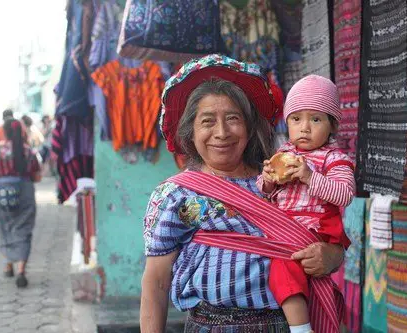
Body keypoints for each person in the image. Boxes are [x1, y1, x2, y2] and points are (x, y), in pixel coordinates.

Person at [141, 55, 345, 333]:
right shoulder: (175, 195)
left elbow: (317, 231)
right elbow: (157, 282)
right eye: (207, 121)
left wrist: (332, 256)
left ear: (249, 129)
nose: (222, 133)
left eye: (233, 119)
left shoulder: (281, 180)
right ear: (191, 132)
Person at [257, 75, 355, 332]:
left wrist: (310, 176)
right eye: (296, 119)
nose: (305, 128)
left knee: (283, 267)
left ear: (332, 125)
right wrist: (267, 180)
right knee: (277, 267)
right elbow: (265, 193)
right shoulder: (283, 155)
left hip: (316, 228)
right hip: (285, 228)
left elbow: (345, 194)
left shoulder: (333, 159)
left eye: (316, 119)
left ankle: (301, 328)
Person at [0, 119, 41, 288]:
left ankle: (9, 265)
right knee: (24, 229)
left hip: (1, 192)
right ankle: (21, 270)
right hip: (25, 192)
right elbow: (38, 176)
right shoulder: (28, 151)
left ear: (4, 131)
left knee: (5, 227)